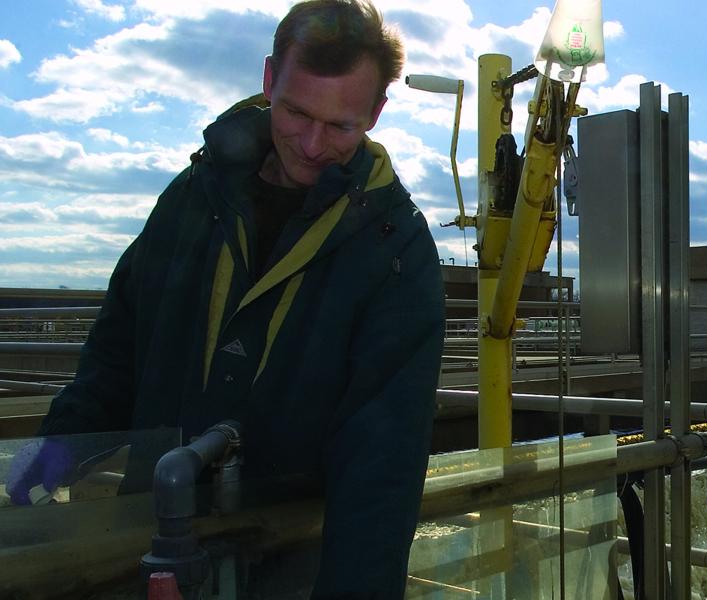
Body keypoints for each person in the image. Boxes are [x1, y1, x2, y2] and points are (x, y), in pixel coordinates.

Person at [4, 0, 445, 597]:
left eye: (340, 125)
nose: (313, 145)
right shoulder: (190, 199)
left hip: (288, 566)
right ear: (268, 80)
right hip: (153, 548)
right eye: (295, 112)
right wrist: (50, 455)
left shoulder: (395, 250)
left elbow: (383, 461)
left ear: (377, 112)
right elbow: (115, 357)